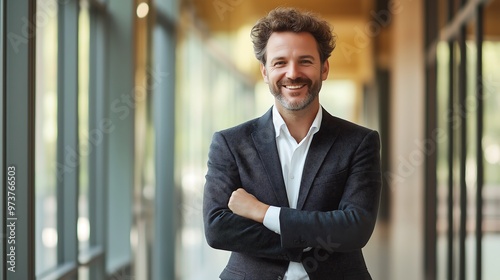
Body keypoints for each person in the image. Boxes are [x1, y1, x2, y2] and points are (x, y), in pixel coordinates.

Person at [203, 7, 381, 280]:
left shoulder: (359, 142)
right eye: (280, 62)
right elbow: (218, 228)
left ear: (324, 68)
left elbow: (355, 228)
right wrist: (309, 237)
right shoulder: (230, 144)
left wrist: (262, 213)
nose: (293, 73)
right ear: (264, 71)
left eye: (305, 61)